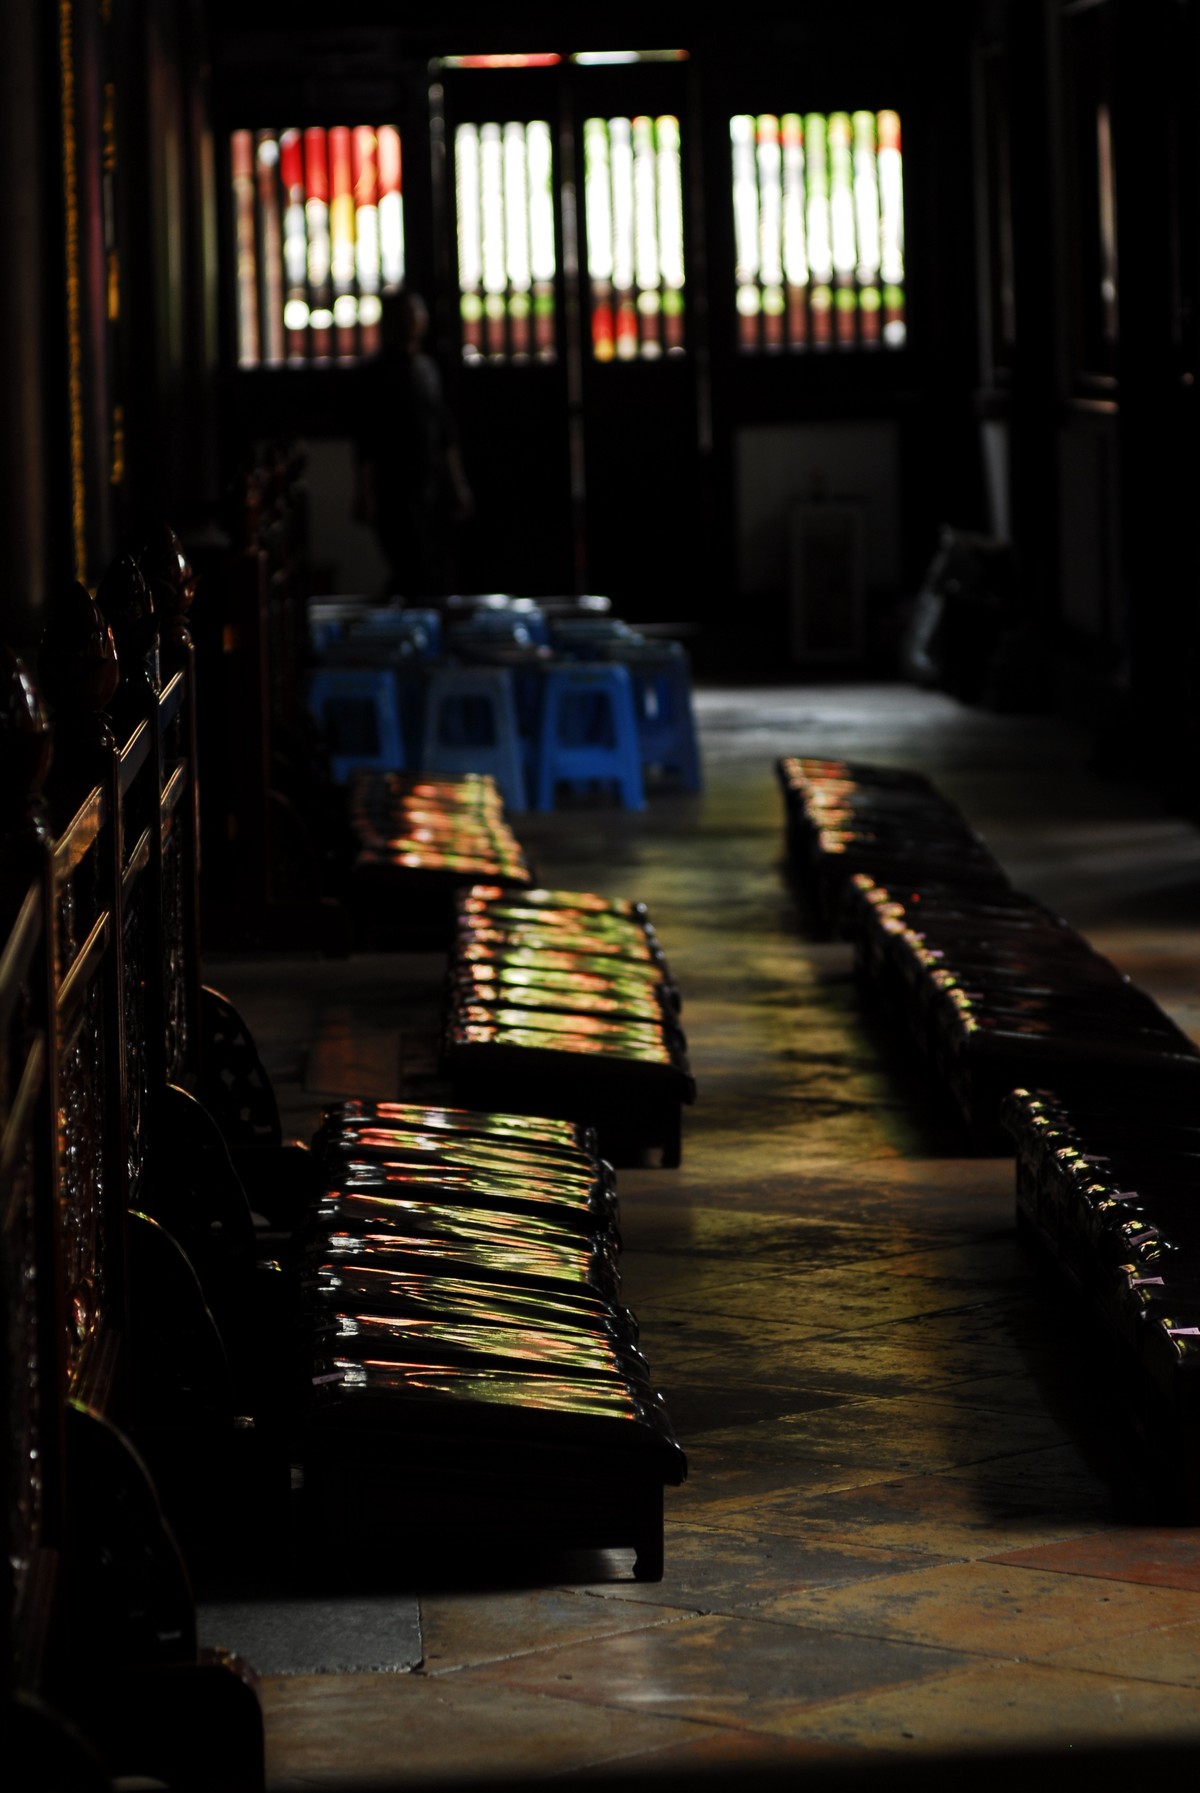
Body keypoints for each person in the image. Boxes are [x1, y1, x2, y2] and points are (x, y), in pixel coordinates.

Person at [355, 288, 473, 599]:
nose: (413, 320)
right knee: (412, 569)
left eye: (416, 313)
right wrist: (366, 492)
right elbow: (366, 440)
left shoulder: (427, 369)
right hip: (394, 485)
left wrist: (457, 481)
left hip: (432, 482)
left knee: (434, 571)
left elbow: (445, 432)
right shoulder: (375, 374)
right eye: (405, 314)